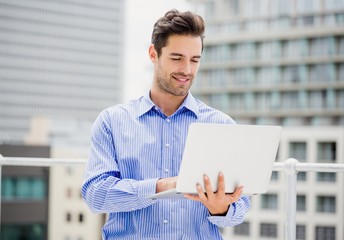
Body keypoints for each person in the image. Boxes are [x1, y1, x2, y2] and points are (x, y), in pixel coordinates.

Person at [82, 9, 250, 240]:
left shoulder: (221, 125)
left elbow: (239, 210)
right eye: (177, 58)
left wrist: (220, 207)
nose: (187, 70)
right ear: (153, 53)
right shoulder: (112, 122)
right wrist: (162, 187)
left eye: (194, 60)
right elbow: (95, 195)